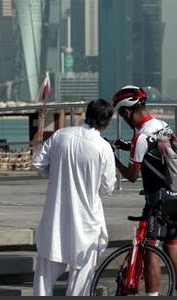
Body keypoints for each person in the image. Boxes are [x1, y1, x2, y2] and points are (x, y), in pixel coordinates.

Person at [31, 99, 116, 296]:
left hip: (56, 213)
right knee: (82, 275)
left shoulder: (61, 135)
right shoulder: (103, 147)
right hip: (86, 218)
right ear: (106, 122)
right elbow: (107, 188)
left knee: (45, 270)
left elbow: (38, 163)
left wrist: (57, 172)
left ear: (87, 114)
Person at [111, 84, 177, 295]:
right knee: (172, 246)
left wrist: (114, 160)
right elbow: (157, 155)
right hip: (175, 195)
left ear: (128, 112)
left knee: (151, 252)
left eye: (122, 115)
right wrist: (125, 146)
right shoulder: (163, 126)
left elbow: (132, 176)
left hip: (157, 200)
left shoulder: (139, 138)